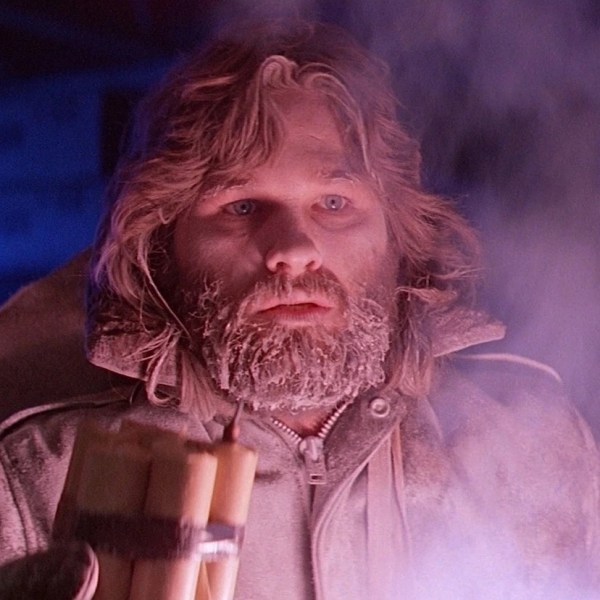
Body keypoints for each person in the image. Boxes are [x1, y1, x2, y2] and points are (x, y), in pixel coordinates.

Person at [1, 20, 599, 599]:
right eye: (241, 206)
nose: (292, 249)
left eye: (334, 202)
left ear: (400, 235)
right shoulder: (39, 483)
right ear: (162, 245)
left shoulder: (531, 450)